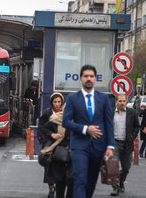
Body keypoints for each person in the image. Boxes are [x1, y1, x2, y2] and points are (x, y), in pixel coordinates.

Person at [63, 64, 114, 198]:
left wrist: (110, 145)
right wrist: (86, 129)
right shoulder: (73, 98)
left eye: (91, 76)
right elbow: (66, 122)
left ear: (95, 79)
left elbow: (109, 123)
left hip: (98, 147)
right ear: (80, 78)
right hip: (79, 146)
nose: (89, 79)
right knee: (80, 180)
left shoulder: (103, 98)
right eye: (86, 76)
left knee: (91, 183)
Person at [38, 92, 68, 198]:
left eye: (59, 102)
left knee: (60, 166)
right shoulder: (48, 113)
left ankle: (60, 187)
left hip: (62, 145)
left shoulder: (65, 113)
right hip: (50, 143)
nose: (57, 104)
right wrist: (51, 135)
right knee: (49, 167)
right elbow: (42, 127)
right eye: (55, 102)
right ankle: (51, 188)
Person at [110, 94, 139, 196]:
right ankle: (115, 187)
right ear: (116, 102)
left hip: (127, 143)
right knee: (113, 166)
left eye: (123, 101)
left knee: (126, 168)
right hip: (114, 143)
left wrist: (132, 136)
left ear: (126, 102)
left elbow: (137, 126)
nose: (122, 103)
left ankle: (121, 181)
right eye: (120, 101)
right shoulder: (111, 112)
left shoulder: (132, 112)